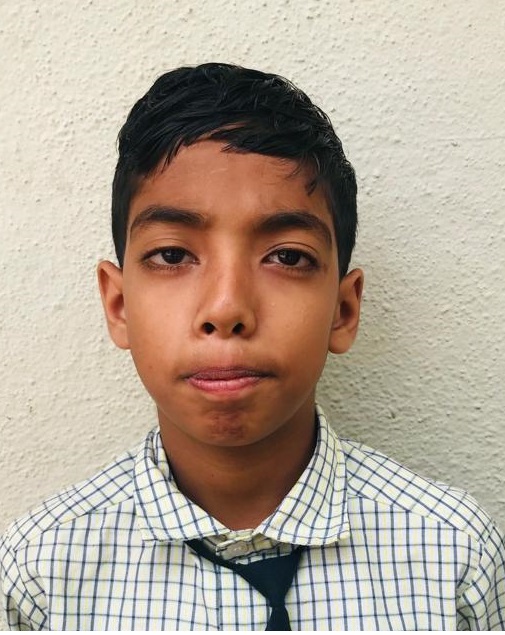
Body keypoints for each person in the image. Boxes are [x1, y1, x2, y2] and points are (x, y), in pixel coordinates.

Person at [1, 62, 504, 631]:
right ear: (119, 305)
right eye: (172, 255)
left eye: (287, 257)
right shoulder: (38, 575)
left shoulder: (454, 557)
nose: (226, 309)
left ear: (343, 310)